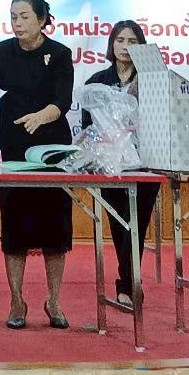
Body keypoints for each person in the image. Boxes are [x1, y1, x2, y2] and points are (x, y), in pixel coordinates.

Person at [0, 0, 74, 330]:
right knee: (14, 227)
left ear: (41, 20)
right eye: (13, 17)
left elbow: (63, 101)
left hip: (52, 151)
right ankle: (16, 300)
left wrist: (41, 116)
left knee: (55, 230)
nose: (18, 23)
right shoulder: (3, 52)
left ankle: (54, 301)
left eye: (24, 16)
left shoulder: (60, 54)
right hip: (13, 150)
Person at [80, 19, 159, 312]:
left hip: (146, 162)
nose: (126, 47)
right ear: (111, 44)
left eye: (133, 41)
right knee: (117, 221)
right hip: (109, 162)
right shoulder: (98, 80)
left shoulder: (153, 79)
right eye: (120, 40)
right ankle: (128, 279)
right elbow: (88, 125)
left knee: (137, 221)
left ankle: (128, 284)